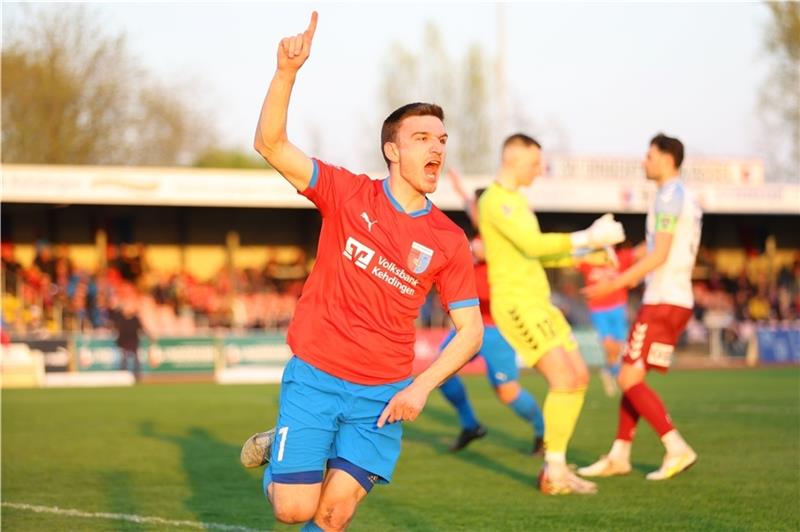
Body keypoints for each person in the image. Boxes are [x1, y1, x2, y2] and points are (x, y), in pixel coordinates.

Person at [240, 12, 483, 531]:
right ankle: (282, 453)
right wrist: (286, 73)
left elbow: (470, 333)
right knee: (294, 510)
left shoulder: (448, 239)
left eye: (442, 139)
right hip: (317, 375)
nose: (437, 147)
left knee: (332, 515)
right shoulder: (348, 194)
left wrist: (421, 387)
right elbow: (271, 146)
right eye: (422, 138)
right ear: (393, 150)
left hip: (383, 392)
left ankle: (299, 454)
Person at [477, 133, 626, 495]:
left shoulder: (519, 202)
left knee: (578, 377)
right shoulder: (496, 201)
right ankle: (554, 473)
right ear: (512, 159)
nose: (540, 170)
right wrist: (586, 237)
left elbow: (538, 253)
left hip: (540, 302)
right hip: (516, 305)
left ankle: (555, 466)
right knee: (563, 379)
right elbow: (532, 244)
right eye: (535, 163)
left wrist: (587, 255)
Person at [578, 133, 702, 481]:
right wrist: (619, 263)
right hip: (676, 299)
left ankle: (676, 447)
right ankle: (620, 454)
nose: (643, 162)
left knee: (628, 376)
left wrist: (613, 284)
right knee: (633, 375)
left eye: (649, 155)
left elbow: (660, 254)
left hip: (662, 300)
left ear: (666, 158)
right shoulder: (684, 198)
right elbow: (656, 250)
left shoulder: (669, 197)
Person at [437, 169, 545, 454]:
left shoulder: (500, 242)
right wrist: (460, 189)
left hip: (498, 328)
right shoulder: (478, 238)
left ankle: (544, 431)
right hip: (470, 324)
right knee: (440, 372)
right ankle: (470, 425)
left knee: (507, 393)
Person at [576, 244, 635, 396]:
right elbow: (571, 259)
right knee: (609, 346)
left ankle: (608, 371)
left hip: (618, 307)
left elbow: (641, 255)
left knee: (618, 347)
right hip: (598, 309)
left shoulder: (621, 256)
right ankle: (615, 373)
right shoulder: (588, 259)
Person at [109, 290, 149, 383]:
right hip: (124, 341)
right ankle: (122, 376)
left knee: (136, 360)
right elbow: (113, 321)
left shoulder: (135, 318)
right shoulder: (120, 318)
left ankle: (137, 377)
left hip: (133, 341)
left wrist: (149, 336)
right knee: (124, 360)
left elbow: (142, 328)